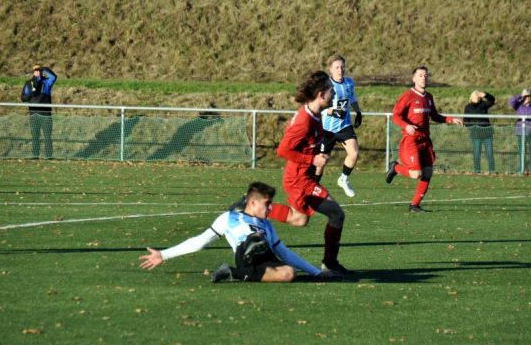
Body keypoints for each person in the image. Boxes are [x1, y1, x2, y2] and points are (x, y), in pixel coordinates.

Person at [139, 182, 336, 283]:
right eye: (267, 204)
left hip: (265, 258)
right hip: (246, 254)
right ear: (252, 202)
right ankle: (251, 247)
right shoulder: (228, 218)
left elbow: (284, 252)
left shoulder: (266, 224)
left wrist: (317, 273)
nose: (270, 209)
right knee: (255, 240)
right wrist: (164, 254)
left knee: (289, 274)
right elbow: (200, 241)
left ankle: (232, 273)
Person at [276, 70, 350, 274]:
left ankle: (253, 208)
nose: (334, 95)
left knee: (299, 219)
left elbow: (314, 136)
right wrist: (312, 159)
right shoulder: (304, 121)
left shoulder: (314, 114)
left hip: (305, 177)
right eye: (331, 91)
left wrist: (331, 135)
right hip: (299, 180)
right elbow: (283, 150)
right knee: (336, 214)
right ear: (320, 94)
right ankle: (329, 264)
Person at [385, 66, 463, 212]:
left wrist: (451, 119)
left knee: (427, 172)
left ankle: (414, 205)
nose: (424, 78)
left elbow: (435, 116)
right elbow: (396, 115)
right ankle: (395, 168)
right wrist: (405, 125)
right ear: (414, 78)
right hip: (411, 139)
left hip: (425, 140)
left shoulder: (428, 97)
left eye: (426, 75)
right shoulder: (408, 96)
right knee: (416, 174)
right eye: (420, 75)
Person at [316, 55, 363, 197]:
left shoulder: (349, 82)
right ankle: (313, 186)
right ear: (330, 69)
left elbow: (352, 98)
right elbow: (318, 105)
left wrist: (358, 112)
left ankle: (343, 179)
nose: (340, 69)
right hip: (327, 128)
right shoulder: (326, 85)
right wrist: (332, 111)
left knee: (354, 153)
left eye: (342, 66)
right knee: (321, 162)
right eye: (337, 67)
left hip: (344, 125)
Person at [21, 64, 57, 159]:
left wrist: (44, 68)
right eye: (36, 70)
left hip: (45, 113)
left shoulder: (47, 82)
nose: (38, 72)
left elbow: (54, 76)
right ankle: (35, 155)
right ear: (33, 72)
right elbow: (23, 97)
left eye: (39, 70)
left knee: (47, 135)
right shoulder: (28, 83)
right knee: (35, 135)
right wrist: (31, 95)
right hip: (34, 113)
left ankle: (49, 156)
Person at [509, 88, 531, 175]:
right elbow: (511, 102)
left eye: (529, 96)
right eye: (525, 96)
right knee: (521, 151)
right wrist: (520, 96)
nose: (527, 98)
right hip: (521, 132)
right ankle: (522, 168)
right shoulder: (519, 105)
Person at [463, 91, 496, 174]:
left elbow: (492, 100)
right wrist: (472, 129)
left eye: (479, 96)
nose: (477, 98)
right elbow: (466, 121)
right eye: (476, 96)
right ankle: (477, 171)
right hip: (476, 134)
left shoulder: (483, 104)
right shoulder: (468, 107)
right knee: (477, 153)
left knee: (489, 153)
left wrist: (485, 94)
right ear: (471, 97)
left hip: (487, 132)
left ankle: (492, 171)